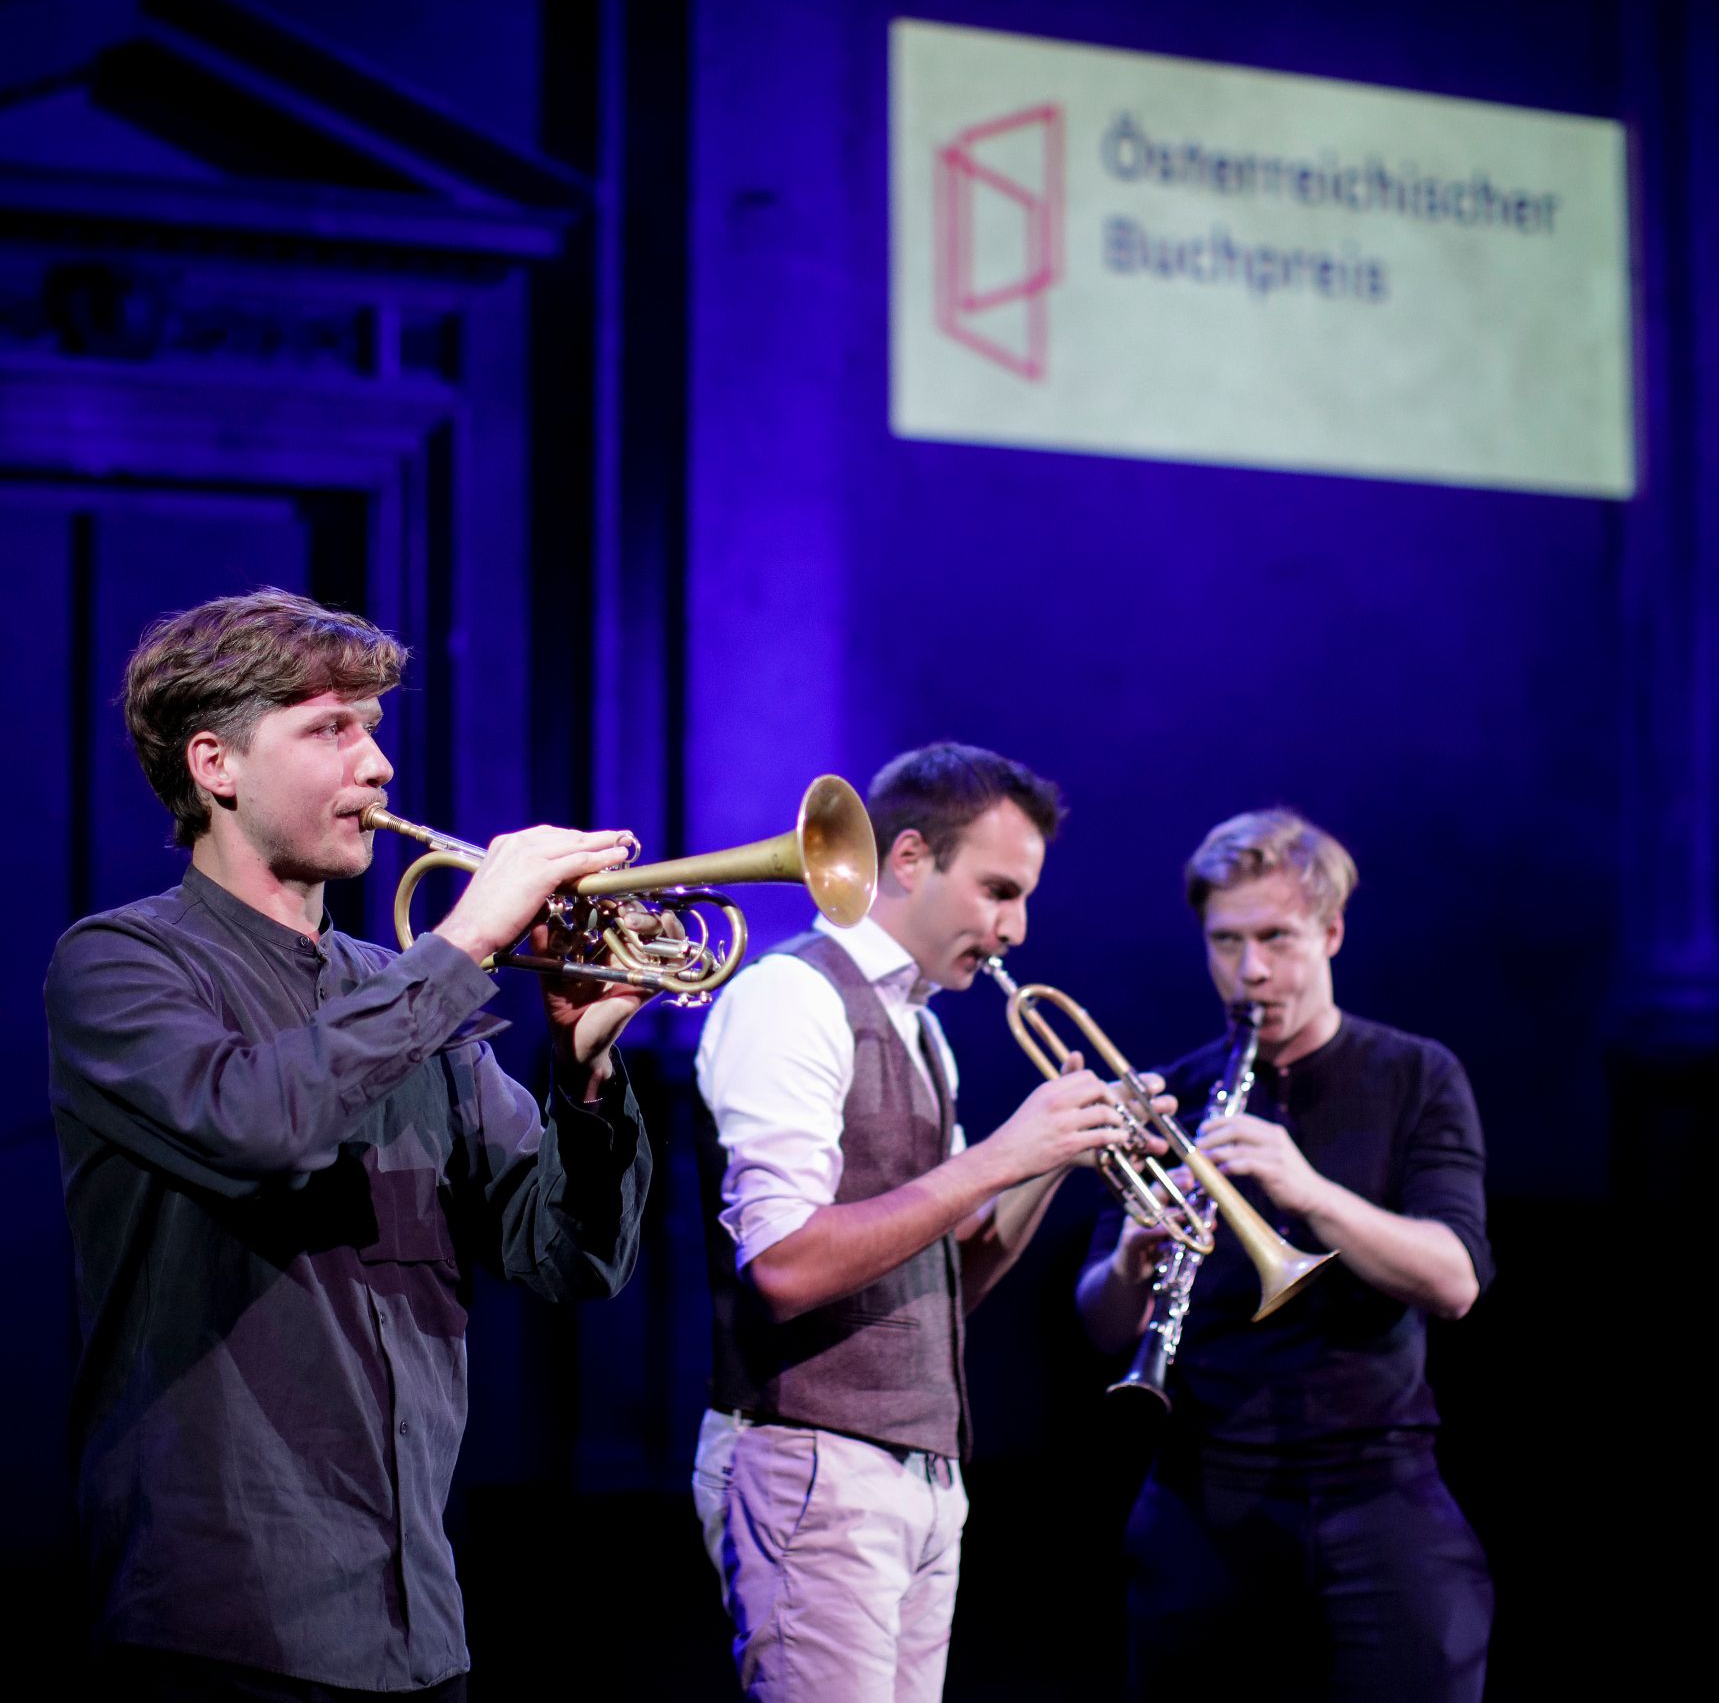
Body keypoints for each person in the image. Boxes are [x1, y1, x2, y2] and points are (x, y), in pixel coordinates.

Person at [45, 589, 656, 1700]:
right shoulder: (120, 962)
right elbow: (256, 1126)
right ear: (216, 765)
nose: (377, 765)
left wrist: (585, 1071)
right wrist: (467, 941)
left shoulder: (403, 988)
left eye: (371, 727)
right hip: (219, 1624)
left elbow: (568, 1258)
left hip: (419, 1625)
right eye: (330, 728)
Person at [689, 741, 1162, 1702]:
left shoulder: (921, 1028)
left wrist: (1055, 1157)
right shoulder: (791, 994)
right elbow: (781, 1266)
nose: (1014, 928)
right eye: (997, 891)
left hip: (918, 1473)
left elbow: (946, 1281)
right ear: (908, 859)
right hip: (813, 1457)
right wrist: (1002, 1155)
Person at [1076, 808, 1494, 1702]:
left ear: (1330, 932)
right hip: (1202, 1492)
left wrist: (1308, 1193)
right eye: (1226, 942)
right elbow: (1102, 1324)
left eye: (1276, 938)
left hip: (1376, 1486)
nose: (1251, 971)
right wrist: (1130, 1261)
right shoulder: (1174, 1094)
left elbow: (1454, 1279)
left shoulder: (1416, 1075)